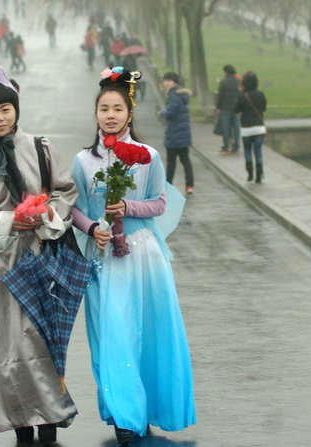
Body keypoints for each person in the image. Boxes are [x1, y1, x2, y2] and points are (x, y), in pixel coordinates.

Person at [0, 66, 78, 445]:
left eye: (5, 109)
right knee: (5, 344)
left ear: (16, 109)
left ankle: (50, 417)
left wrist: (43, 215)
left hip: (39, 253)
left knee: (41, 338)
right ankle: (20, 421)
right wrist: (8, 221)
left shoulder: (40, 146)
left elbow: (64, 189)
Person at [70, 67, 196, 445]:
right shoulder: (82, 161)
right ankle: (125, 416)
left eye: (118, 108)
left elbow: (160, 202)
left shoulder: (149, 156)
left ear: (129, 113)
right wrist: (93, 228)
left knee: (151, 332)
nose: (111, 115)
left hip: (144, 255)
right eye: (104, 108)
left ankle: (148, 408)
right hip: (103, 255)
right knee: (113, 333)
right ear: (95, 113)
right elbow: (73, 209)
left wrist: (127, 206)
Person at [157, 72, 194, 195]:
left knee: (171, 162)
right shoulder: (182, 95)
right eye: (165, 80)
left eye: (169, 80)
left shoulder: (173, 95)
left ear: (175, 82)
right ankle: (190, 185)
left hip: (174, 134)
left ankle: (168, 186)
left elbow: (171, 112)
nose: (166, 83)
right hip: (184, 134)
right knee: (185, 160)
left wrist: (162, 113)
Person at [235, 71, 267, 183]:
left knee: (247, 151)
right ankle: (259, 175)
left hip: (246, 129)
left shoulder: (243, 96)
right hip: (259, 127)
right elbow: (263, 108)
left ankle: (250, 174)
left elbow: (236, 110)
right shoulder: (261, 94)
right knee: (258, 151)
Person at [216, 65, 241, 153]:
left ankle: (226, 146)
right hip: (236, 108)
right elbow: (240, 95)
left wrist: (218, 107)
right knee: (236, 128)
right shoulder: (238, 81)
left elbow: (220, 96)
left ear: (226, 72)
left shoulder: (223, 82)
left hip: (225, 108)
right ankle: (236, 146)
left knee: (225, 127)